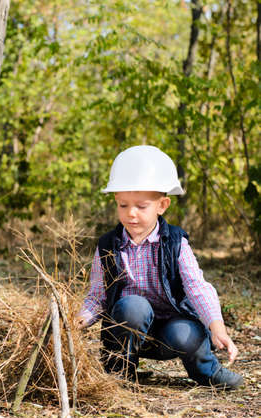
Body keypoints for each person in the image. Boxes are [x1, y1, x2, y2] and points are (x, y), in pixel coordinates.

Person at [77, 145, 243, 388]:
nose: (131, 214)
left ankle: (206, 371)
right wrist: (79, 319)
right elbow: (98, 296)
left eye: (141, 206)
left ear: (162, 205)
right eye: (123, 205)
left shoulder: (175, 243)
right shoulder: (108, 246)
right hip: (129, 328)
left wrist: (217, 327)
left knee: (185, 333)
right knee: (132, 305)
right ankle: (120, 374)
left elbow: (197, 287)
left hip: (172, 331)